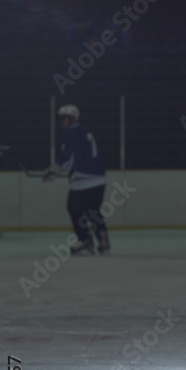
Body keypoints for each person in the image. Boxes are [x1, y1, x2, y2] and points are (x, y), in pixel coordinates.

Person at [44, 104, 110, 256]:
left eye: (64, 118)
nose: (62, 121)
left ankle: (84, 240)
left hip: (82, 179)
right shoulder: (85, 129)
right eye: (60, 118)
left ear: (73, 118)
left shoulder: (70, 133)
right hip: (99, 177)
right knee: (92, 210)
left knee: (73, 207)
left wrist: (53, 171)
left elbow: (69, 156)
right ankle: (103, 239)